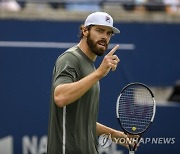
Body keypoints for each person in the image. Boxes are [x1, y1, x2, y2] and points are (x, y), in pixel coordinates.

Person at [47, 11, 134, 154]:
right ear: (85, 31)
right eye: (99, 30)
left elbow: (82, 120)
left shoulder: (91, 67)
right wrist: (99, 73)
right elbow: (60, 97)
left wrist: (116, 135)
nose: (104, 37)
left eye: (108, 33)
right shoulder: (70, 58)